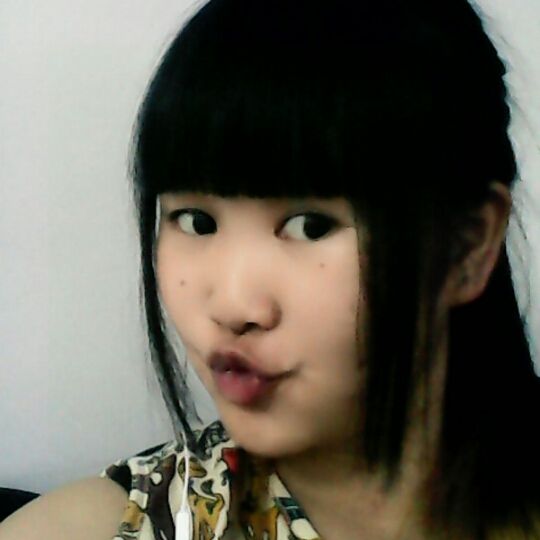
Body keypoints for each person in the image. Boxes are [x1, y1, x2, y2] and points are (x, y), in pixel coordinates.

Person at [2, 0, 539, 538]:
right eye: (196, 221)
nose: (233, 306)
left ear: (465, 246)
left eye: (310, 225)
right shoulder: (103, 525)